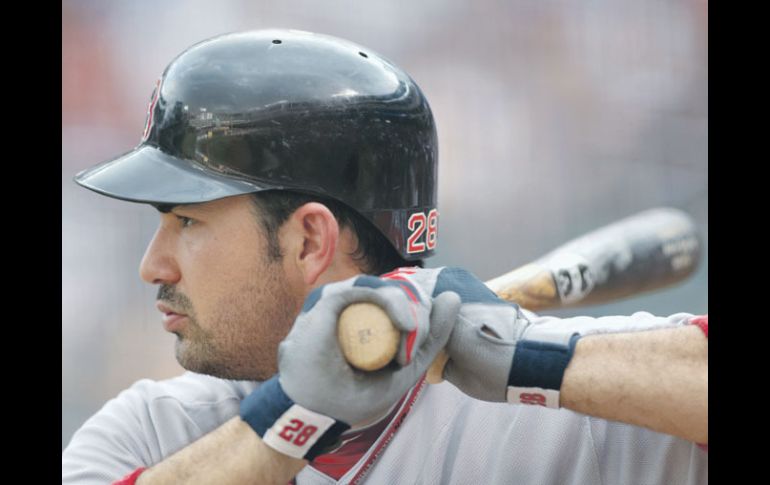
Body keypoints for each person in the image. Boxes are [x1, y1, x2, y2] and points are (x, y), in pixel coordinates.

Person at [63, 30, 707, 485]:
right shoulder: (154, 430)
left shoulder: (579, 406)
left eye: (185, 220)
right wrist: (298, 411)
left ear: (310, 241)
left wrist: (530, 359)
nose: (154, 265)